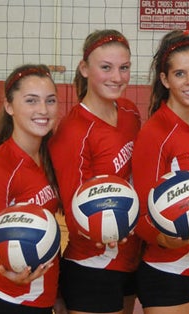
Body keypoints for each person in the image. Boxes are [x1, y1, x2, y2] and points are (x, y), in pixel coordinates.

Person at [48, 29, 141, 314]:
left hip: (131, 260)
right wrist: (114, 225)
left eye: (123, 68)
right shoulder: (73, 131)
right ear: (85, 68)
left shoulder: (129, 112)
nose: (117, 77)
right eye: (106, 67)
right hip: (94, 266)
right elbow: (75, 214)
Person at [131, 30, 189, 314]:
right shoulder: (155, 133)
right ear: (165, 80)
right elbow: (140, 214)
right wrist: (164, 239)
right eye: (180, 74)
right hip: (168, 270)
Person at [0, 64, 65, 314]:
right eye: (31, 101)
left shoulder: (50, 157)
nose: (43, 110)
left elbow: (48, 236)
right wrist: (13, 273)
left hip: (43, 303)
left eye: (50, 100)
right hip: (10, 305)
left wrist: (57, 293)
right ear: (9, 106)